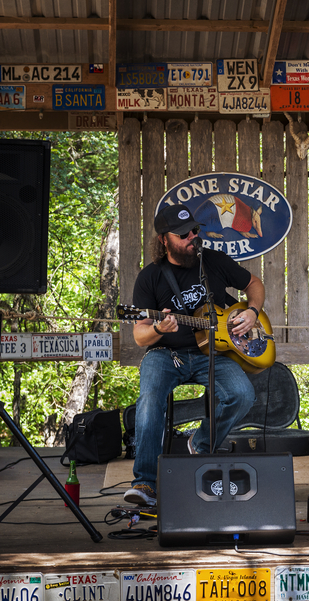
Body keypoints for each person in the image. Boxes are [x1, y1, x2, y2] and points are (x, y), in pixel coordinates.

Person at [124, 204, 265, 506]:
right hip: (166, 354)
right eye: (183, 234)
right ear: (163, 240)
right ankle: (146, 483)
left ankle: (200, 444)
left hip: (212, 352)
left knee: (242, 394)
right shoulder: (149, 278)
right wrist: (160, 329)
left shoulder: (212, 261)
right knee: (149, 402)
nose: (192, 237)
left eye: (195, 231)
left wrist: (252, 312)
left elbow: (254, 284)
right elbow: (140, 335)